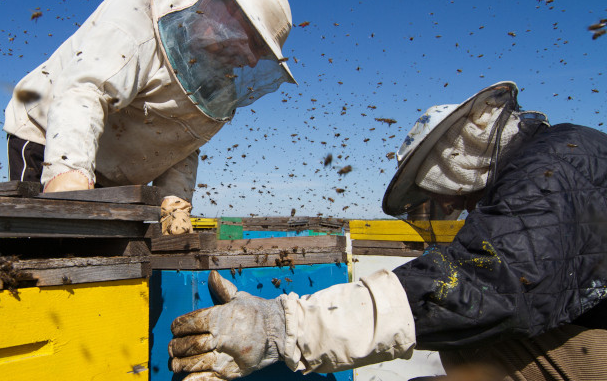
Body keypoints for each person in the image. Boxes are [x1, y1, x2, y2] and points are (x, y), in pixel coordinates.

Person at [168, 81, 607, 380]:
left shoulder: (555, 169)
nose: (450, 205)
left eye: (439, 190)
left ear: (462, 151)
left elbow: (485, 282)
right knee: (466, 346)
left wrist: (285, 327)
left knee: (471, 342)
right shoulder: (562, 159)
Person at [3, 0, 296, 235]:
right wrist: (68, 178)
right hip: (47, 135)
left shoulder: (217, 82)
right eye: (255, 42)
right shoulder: (134, 16)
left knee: (103, 261)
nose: (253, 60)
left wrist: (175, 205)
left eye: (262, 52)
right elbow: (84, 92)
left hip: (116, 171)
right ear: (228, 11)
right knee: (42, 250)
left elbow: (183, 142)